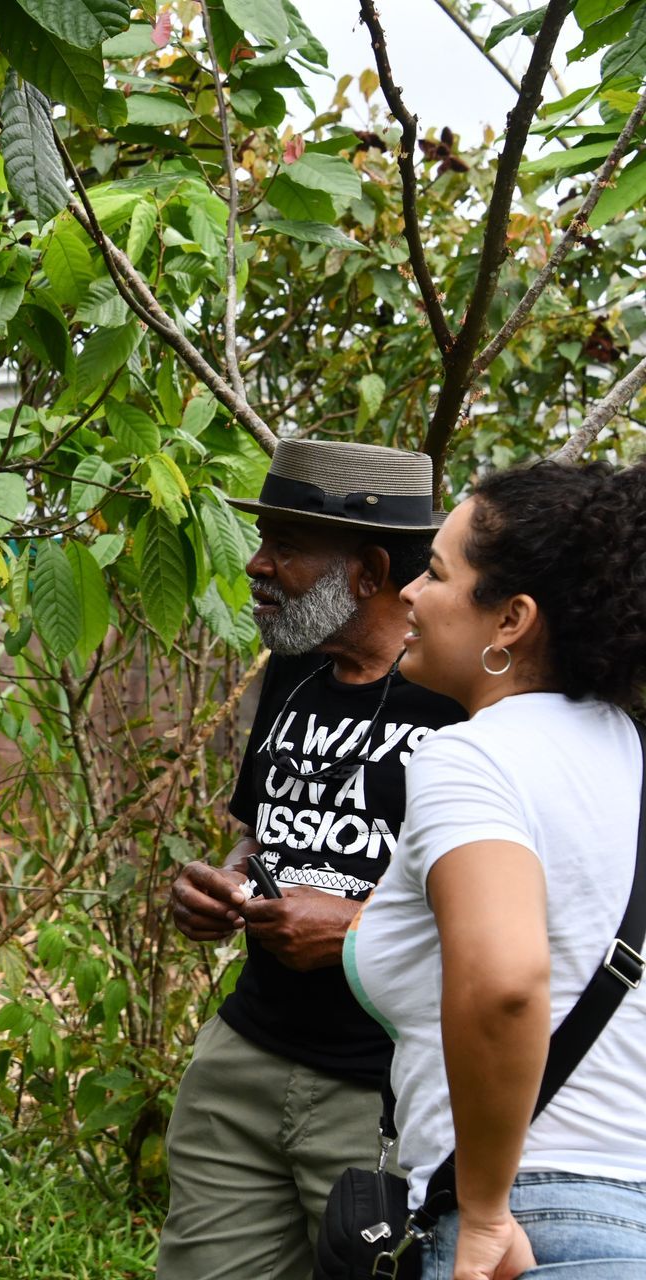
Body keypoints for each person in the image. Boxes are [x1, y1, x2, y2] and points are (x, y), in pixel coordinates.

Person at [158, 440, 464, 1280]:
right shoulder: (296, 670)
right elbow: (265, 833)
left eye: (286, 546)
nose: (256, 564)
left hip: (383, 1091)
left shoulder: (463, 699)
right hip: (246, 1056)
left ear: (368, 569)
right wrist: (222, 884)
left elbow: (522, 916)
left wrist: (358, 932)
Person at [345, 460, 646, 1280]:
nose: (410, 592)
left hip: (529, 1228)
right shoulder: (632, 756)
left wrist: (480, 1210)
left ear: (510, 620)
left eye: (438, 573)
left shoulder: (473, 759)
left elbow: (507, 979)